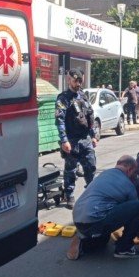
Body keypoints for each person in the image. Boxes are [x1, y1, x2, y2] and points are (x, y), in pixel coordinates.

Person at [67, 155, 139, 260]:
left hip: (78, 219)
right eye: (135, 172)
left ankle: (83, 241)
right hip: (95, 220)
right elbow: (135, 212)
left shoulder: (104, 174)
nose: (135, 175)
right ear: (130, 169)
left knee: (103, 241)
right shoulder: (128, 184)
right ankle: (124, 248)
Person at [55, 68, 98, 209]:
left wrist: (93, 136)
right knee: (71, 170)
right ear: (69, 80)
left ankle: (92, 193)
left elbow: (89, 117)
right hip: (71, 140)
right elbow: (59, 120)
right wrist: (64, 140)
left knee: (91, 167)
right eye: (75, 81)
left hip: (85, 139)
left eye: (80, 81)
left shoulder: (83, 96)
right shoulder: (63, 98)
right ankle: (69, 195)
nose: (78, 83)